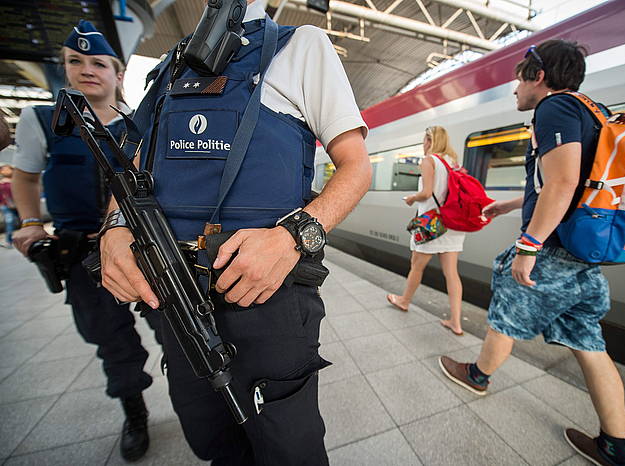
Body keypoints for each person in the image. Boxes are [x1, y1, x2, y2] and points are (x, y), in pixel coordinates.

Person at [99, 0, 371, 464]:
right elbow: (135, 167)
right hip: (176, 296)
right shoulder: (169, 67)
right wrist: (114, 228)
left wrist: (292, 237)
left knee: (288, 446)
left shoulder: (302, 45)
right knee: (212, 438)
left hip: (269, 298)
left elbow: (356, 168)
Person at [438, 40, 625, 466]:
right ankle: (614, 447)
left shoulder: (554, 108)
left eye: (518, 77)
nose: (514, 88)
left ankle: (477, 376)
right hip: (584, 257)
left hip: (554, 252)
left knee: (506, 314)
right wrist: (510, 204)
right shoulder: (593, 110)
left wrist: (528, 246)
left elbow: (563, 183)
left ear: (538, 76)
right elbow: (573, 183)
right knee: (589, 343)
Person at [12, 20, 157, 462]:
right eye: (75, 62)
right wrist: (31, 223)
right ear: (65, 69)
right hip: (80, 252)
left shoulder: (141, 125)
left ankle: (197, 401)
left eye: (99, 62)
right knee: (112, 342)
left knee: (173, 329)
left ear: (117, 74)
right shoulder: (43, 120)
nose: (86, 70)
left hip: (146, 249)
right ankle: (135, 413)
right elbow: (25, 175)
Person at [387, 126, 466, 335]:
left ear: (430, 141)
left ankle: (404, 301)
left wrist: (411, 198)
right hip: (451, 225)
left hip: (432, 225)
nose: (423, 144)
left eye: (424, 140)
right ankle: (456, 322)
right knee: (451, 274)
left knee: (416, 266)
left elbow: (426, 193)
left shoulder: (430, 160)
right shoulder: (453, 162)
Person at [1, 165, 18, 248]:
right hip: (6, 206)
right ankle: (8, 241)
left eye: (8, 169)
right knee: (10, 222)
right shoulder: (2, 183)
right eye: (3, 170)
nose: (6, 171)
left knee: (25, 222)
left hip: (18, 205)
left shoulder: (15, 181)